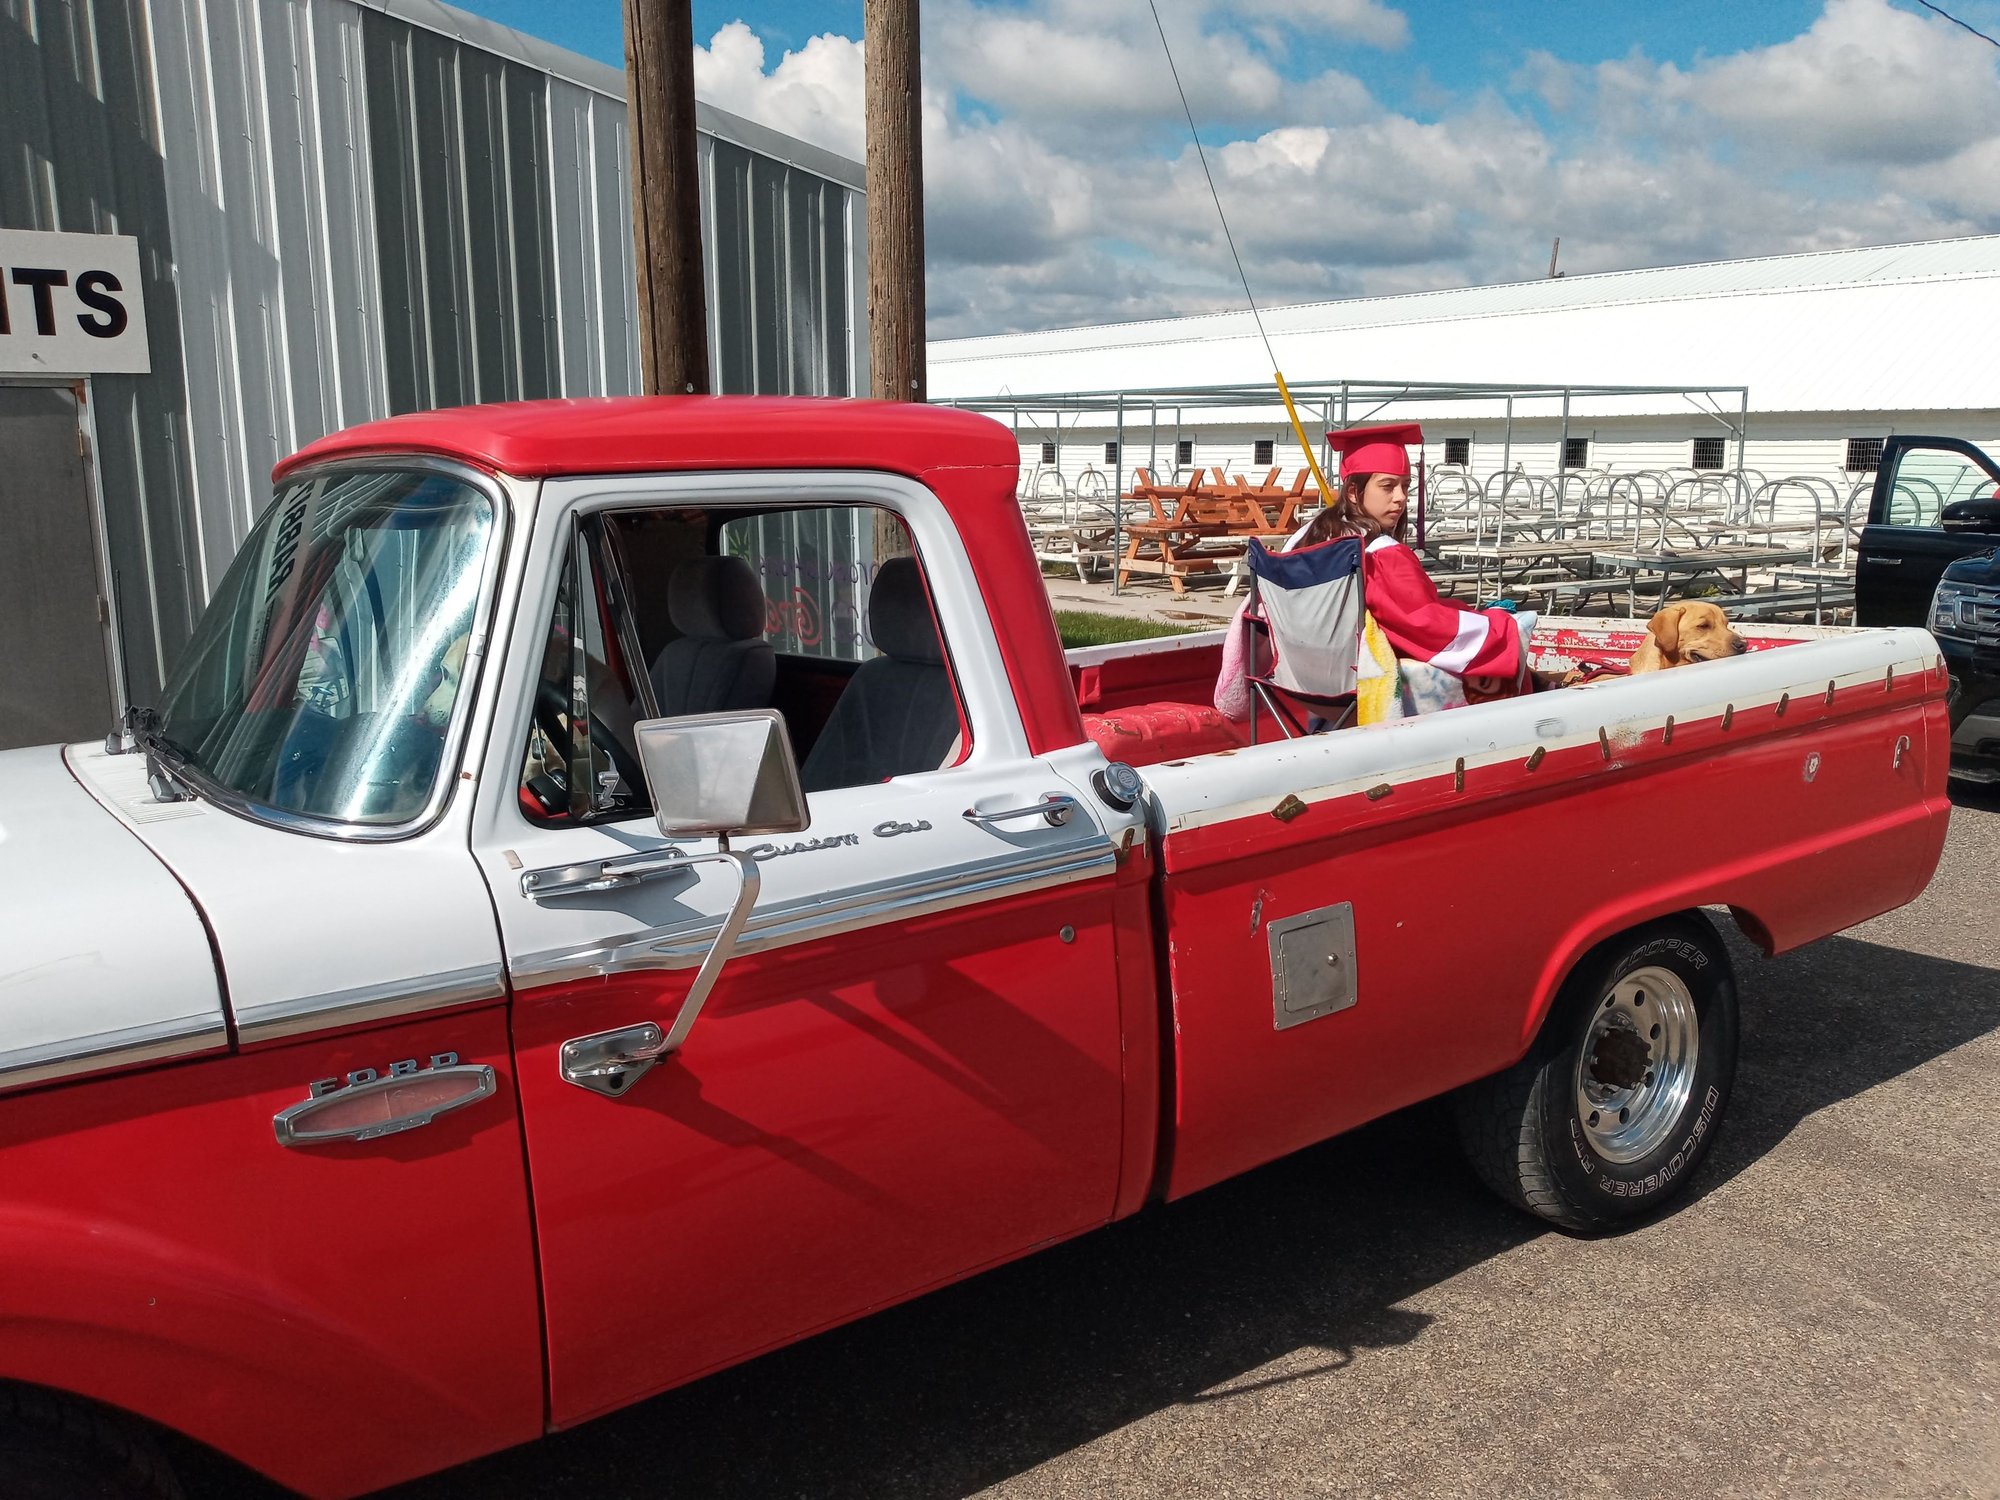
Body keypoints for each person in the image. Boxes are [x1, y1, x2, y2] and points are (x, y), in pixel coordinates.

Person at [1215, 422, 1533, 723]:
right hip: (1352, 692)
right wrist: (1501, 627)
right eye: (1387, 486)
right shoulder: (1378, 553)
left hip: (1294, 684)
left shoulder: (1303, 538)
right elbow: (1427, 625)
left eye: (1405, 486)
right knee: (1501, 659)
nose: (1401, 498)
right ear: (1354, 491)